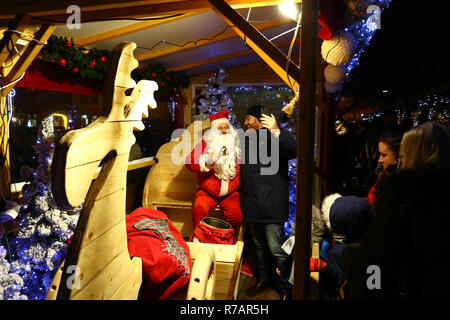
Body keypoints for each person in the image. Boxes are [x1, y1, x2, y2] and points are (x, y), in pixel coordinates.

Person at [342, 121, 450, 299]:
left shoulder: (399, 194)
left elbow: (375, 261)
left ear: (410, 156)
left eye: (401, 156)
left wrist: (369, 288)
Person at [239, 105, 297, 299]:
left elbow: (293, 150)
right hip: (252, 204)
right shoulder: (246, 141)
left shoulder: (274, 139)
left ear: (259, 120)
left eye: (249, 119)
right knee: (260, 247)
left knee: (276, 250)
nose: (245, 122)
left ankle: (289, 287)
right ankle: (264, 279)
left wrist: (276, 130)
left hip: (272, 205)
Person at [185, 110, 242, 233]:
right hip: (207, 192)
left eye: (226, 127)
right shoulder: (205, 144)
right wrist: (206, 160)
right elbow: (189, 161)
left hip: (230, 194)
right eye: (219, 128)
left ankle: (228, 241)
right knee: (199, 209)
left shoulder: (236, 147)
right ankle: (199, 238)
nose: (224, 130)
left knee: (237, 216)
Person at [366, 132, 402, 206]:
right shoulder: (383, 175)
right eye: (380, 154)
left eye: (384, 155)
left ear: (398, 155)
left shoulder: (399, 184)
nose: (379, 160)